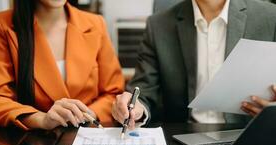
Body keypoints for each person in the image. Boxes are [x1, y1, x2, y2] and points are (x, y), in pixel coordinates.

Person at [112, 0, 276, 129]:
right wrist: (136, 108)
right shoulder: (159, 25)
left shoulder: (270, 17)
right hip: (184, 138)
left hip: (249, 134)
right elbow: (144, 91)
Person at [0, 0, 124, 130]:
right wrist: (42, 119)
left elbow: (113, 93)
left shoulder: (95, 23)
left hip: (87, 135)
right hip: (35, 143)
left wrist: (88, 114)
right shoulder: (0, 24)